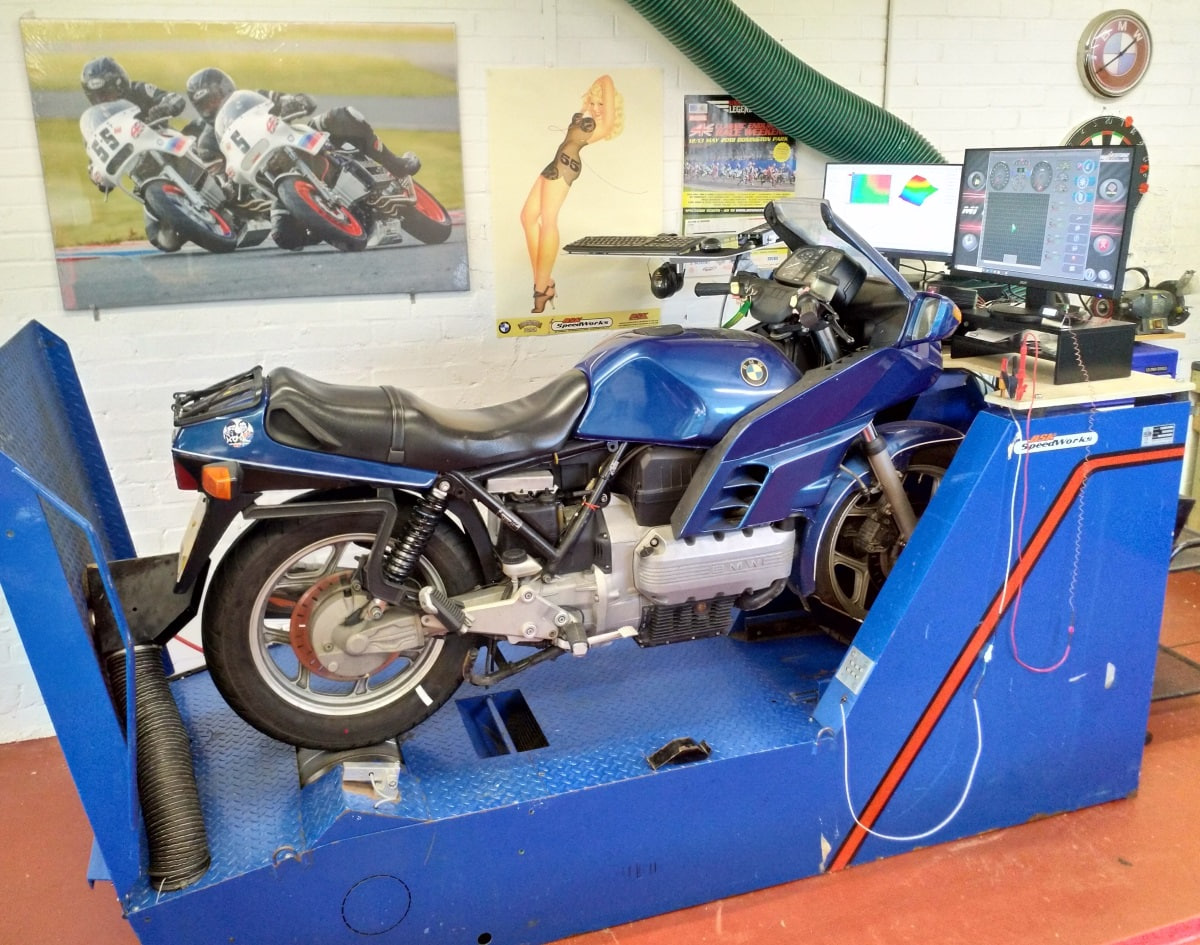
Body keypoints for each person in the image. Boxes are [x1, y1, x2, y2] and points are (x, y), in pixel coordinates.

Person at [183, 67, 423, 250]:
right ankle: (331, 224)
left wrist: (293, 103)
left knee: (344, 116)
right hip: (273, 182)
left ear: (225, 89)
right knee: (285, 238)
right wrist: (228, 183)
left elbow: (301, 100)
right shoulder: (208, 140)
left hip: (296, 140)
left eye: (214, 98)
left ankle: (397, 165)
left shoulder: (254, 98)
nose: (213, 106)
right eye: (205, 104)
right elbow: (218, 176)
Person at [519, 74, 624, 314]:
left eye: (602, 105)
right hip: (555, 162)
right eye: (594, 103)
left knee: (548, 222)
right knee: (527, 217)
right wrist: (592, 99)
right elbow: (588, 106)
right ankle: (544, 281)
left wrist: (604, 81)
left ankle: (541, 288)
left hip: (565, 165)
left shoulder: (603, 125)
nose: (596, 108)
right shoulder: (587, 114)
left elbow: (607, 82)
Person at [79, 57, 188, 251]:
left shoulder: (138, 90)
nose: (104, 100)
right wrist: (97, 174)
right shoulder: (94, 122)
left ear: (120, 86)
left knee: (201, 150)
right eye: (97, 96)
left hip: (169, 146)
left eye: (107, 93)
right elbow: (94, 158)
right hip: (144, 174)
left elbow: (174, 98)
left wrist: (164, 107)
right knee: (161, 239)